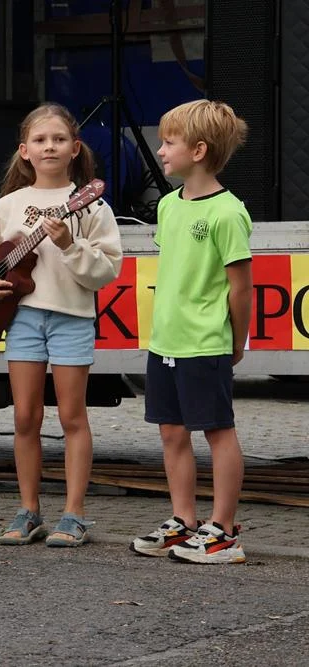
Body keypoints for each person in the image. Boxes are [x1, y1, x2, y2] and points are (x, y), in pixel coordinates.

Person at [0, 103, 122, 548]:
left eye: (59, 139)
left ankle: (74, 513)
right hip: (22, 318)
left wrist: (69, 245)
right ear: (24, 151)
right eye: (40, 140)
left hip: (72, 318)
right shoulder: (8, 206)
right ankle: (28, 509)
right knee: (25, 415)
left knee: (71, 415)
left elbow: (105, 271)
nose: (50, 147)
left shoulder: (91, 206)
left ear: (74, 148)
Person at [130, 100, 251, 564]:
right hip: (166, 342)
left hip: (206, 343)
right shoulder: (166, 205)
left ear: (199, 150)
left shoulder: (227, 212)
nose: (160, 150)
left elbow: (241, 289)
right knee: (171, 433)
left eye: (169, 142)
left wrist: (235, 342)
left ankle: (224, 531)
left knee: (218, 431)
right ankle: (185, 521)